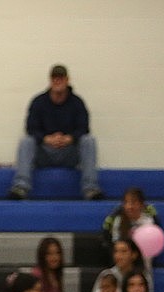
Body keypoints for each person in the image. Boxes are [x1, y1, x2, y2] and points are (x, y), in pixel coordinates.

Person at [8, 65, 103, 201]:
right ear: (50, 80)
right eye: (54, 78)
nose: (57, 81)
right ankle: (21, 186)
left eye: (61, 78)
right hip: (44, 153)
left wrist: (69, 138)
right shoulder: (38, 102)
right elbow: (31, 128)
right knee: (26, 141)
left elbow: (84, 128)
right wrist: (46, 139)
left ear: (67, 80)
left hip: (69, 153)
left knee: (89, 140)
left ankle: (91, 188)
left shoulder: (77, 103)